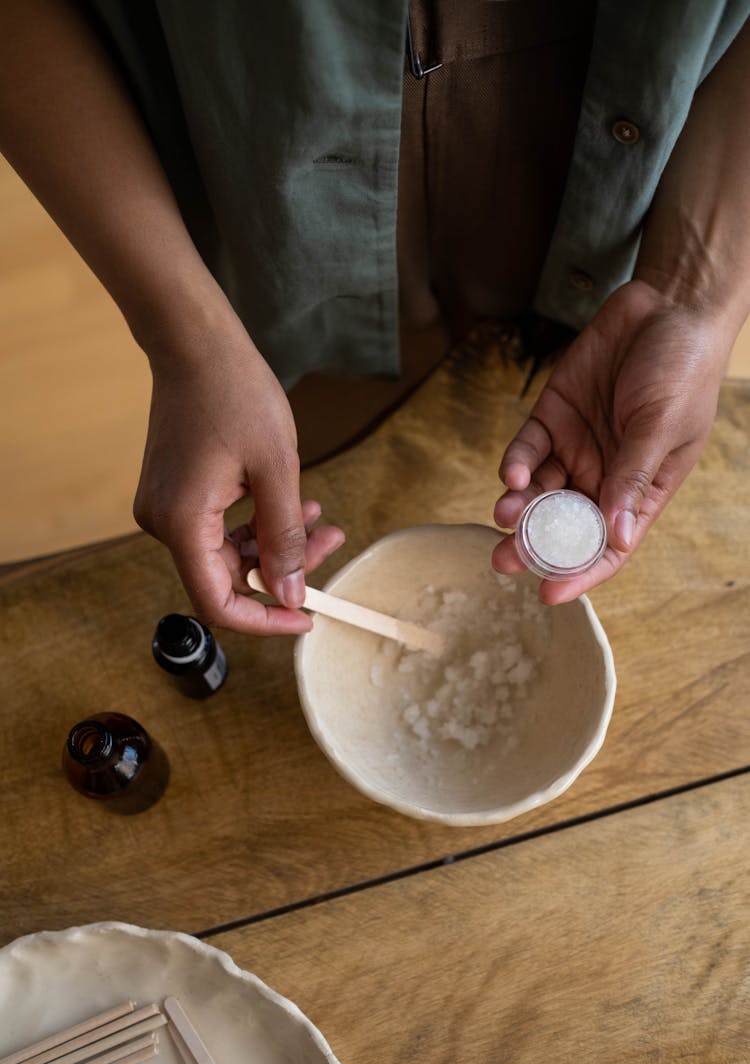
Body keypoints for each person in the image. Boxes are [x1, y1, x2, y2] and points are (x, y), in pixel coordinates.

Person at [1, 1, 749, 635]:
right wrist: (188, 338)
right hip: (274, 246)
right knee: (313, 455)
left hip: (618, 210)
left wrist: (693, 288)